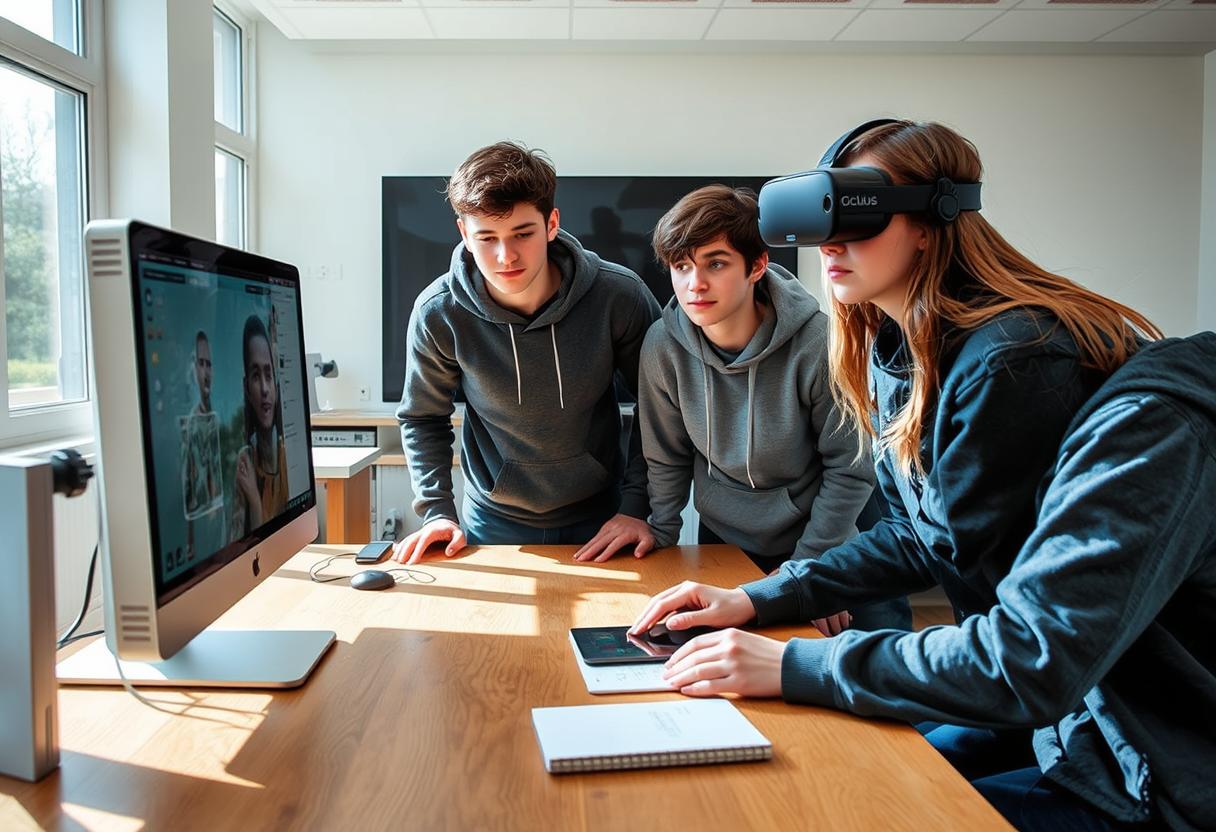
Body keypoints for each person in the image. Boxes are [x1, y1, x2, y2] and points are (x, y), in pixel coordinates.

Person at [626, 120, 1212, 829]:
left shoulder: (1018, 362)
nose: (832, 243)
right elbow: (925, 533)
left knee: (859, 806)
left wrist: (792, 666)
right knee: (834, 773)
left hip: (1146, 746)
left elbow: (1032, 655)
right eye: (823, 219)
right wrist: (758, 599)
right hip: (1061, 712)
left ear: (934, 223)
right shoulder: (904, 347)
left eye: (860, 215)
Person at [635, 184, 908, 633]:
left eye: (715, 264)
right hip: (726, 540)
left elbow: (850, 467)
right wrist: (661, 536)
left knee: (869, 671)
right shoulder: (662, 346)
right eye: (681, 266)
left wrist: (807, 570)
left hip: (828, 537)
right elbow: (666, 454)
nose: (694, 284)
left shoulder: (820, 343)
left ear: (757, 266)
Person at [392, 142, 661, 563]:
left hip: (606, 516)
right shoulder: (438, 312)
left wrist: (636, 506)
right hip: (491, 518)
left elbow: (660, 406)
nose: (506, 256)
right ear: (464, 233)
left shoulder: (619, 296)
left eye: (522, 233)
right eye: (486, 238)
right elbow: (423, 417)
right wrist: (436, 513)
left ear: (551, 223)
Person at [231, 313, 288, 538]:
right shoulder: (245, 466)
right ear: (246, 387)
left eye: (268, 374)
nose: (264, 389)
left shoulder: (286, 457)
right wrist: (255, 502)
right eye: (256, 376)